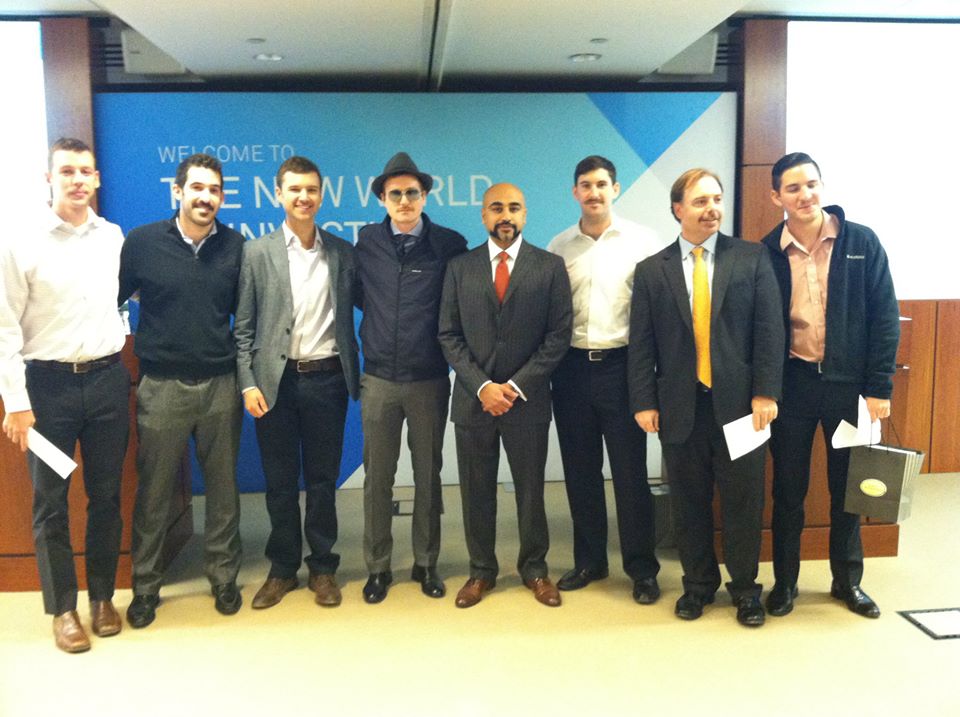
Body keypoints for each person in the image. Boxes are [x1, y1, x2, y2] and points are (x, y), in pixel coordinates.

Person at [629, 168, 783, 627]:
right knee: (689, 503)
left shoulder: (751, 258)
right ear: (678, 209)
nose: (712, 208)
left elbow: (769, 331)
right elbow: (642, 344)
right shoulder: (652, 271)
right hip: (679, 406)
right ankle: (697, 586)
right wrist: (644, 401)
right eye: (700, 201)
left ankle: (746, 590)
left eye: (716, 199)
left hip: (741, 409)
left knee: (743, 504)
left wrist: (766, 392)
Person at [0, 137, 130, 652]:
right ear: (49, 179)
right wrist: (16, 402)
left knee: (106, 496)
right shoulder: (21, 241)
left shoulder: (112, 237)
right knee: (51, 503)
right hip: (47, 389)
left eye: (85, 172)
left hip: (106, 382)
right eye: (67, 171)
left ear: (97, 179)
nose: (78, 180)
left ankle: (102, 598)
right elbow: (5, 328)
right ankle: (63, 610)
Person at [762, 152, 899, 619]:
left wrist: (879, 388)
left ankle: (848, 582)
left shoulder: (860, 241)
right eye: (794, 188)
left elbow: (885, 317)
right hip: (793, 388)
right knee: (788, 492)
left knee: (848, 490)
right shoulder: (767, 251)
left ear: (822, 186)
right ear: (776, 197)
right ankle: (785, 584)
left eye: (812, 184)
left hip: (848, 388)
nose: (806, 195)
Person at [120, 153, 244, 628]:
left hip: (220, 384)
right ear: (177, 191)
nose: (205, 197)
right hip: (161, 387)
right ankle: (146, 587)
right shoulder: (142, 243)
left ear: (222, 197)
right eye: (197, 187)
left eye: (214, 190)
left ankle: (223, 577)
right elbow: (114, 299)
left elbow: (244, 317)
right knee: (154, 491)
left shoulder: (235, 247)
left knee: (223, 490)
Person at [438, 183, 572, 608]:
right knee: (476, 492)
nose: (506, 216)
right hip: (473, 401)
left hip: (526, 401)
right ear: (483, 216)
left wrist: (513, 387)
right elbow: (448, 334)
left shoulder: (549, 267)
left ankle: (535, 569)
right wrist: (483, 386)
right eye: (496, 208)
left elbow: (558, 336)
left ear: (525, 214)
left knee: (531, 491)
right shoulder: (459, 267)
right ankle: (481, 571)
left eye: (514, 207)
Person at [235, 156, 360, 609]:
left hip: (327, 379)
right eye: (294, 189)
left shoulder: (342, 252)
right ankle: (283, 568)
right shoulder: (256, 252)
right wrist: (248, 382)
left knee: (323, 481)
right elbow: (243, 327)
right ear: (279, 195)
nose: (303, 197)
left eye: (311, 189)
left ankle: (323, 567)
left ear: (321, 195)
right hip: (275, 384)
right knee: (281, 482)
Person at [547, 155, 661, 603]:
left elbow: (656, 314)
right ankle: (590, 561)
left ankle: (642, 569)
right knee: (581, 473)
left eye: (601, 184)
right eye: (585, 185)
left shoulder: (643, 243)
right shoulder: (559, 247)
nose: (593, 192)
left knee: (630, 475)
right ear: (574, 192)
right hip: (571, 370)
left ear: (615, 189)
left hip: (623, 368)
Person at [355, 152, 467, 603]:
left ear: (424, 196)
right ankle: (377, 567)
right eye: (396, 193)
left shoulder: (450, 245)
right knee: (377, 479)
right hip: (378, 380)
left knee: (428, 476)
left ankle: (426, 562)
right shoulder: (366, 242)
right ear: (383, 198)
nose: (404, 201)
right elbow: (362, 296)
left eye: (412, 193)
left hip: (429, 381)